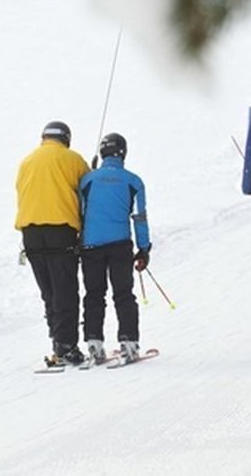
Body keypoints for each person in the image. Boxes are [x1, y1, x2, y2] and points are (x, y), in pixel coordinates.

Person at [15, 120, 91, 365]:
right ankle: (67, 346)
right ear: (66, 138)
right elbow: (88, 195)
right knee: (65, 291)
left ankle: (58, 342)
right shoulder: (73, 160)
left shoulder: (26, 162)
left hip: (30, 234)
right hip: (60, 231)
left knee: (49, 292)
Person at [78, 133, 151, 365]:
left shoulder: (87, 180)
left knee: (93, 295)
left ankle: (94, 344)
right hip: (120, 245)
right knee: (123, 295)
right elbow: (139, 217)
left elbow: (80, 211)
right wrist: (144, 248)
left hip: (90, 246)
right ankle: (129, 344)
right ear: (123, 153)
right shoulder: (134, 181)